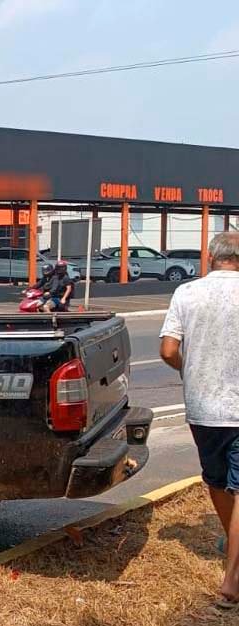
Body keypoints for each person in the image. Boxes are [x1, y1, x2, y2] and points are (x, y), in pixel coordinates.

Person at [159, 232, 239, 609]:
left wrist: (187, 369)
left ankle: (233, 543)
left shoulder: (186, 294)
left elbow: (168, 349)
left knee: (218, 480)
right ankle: (232, 579)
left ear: (210, 257)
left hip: (202, 407)